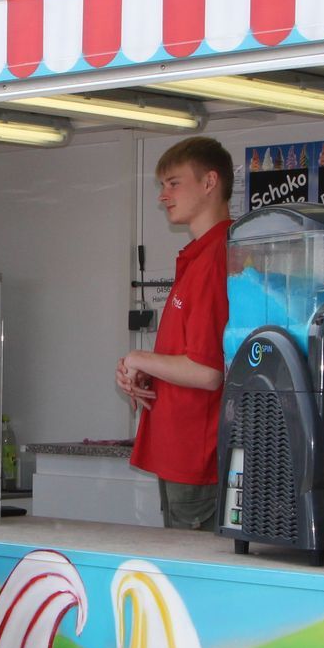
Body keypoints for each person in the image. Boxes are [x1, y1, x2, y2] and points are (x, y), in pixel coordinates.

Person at [116, 136, 234, 530]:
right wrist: (143, 371)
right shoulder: (198, 256)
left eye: (173, 183)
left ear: (209, 182)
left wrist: (139, 358)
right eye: (162, 185)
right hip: (179, 452)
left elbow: (208, 371)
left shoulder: (216, 257)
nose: (163, 196)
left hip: (198, 455)